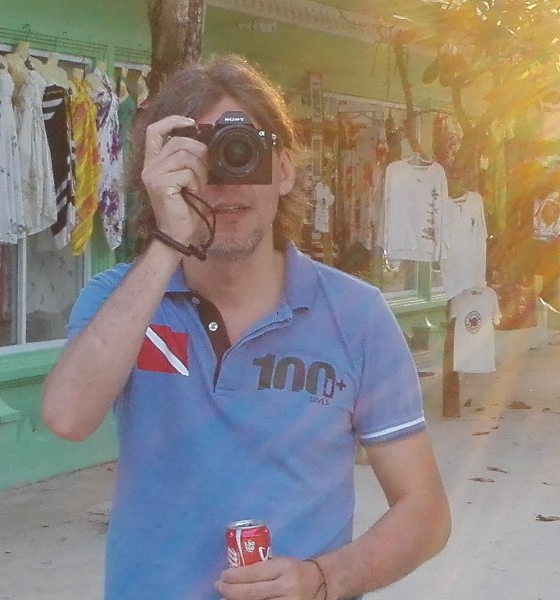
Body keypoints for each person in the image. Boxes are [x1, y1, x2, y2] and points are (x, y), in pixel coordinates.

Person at [42, 54, 450, 600]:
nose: (227, 182)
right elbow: (67, 418)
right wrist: (168, 241)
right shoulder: (121, 300)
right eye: (202, 156)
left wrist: (323, 579)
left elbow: (425, 511)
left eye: (245, 151)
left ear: (284, 170)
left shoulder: (356, 315)